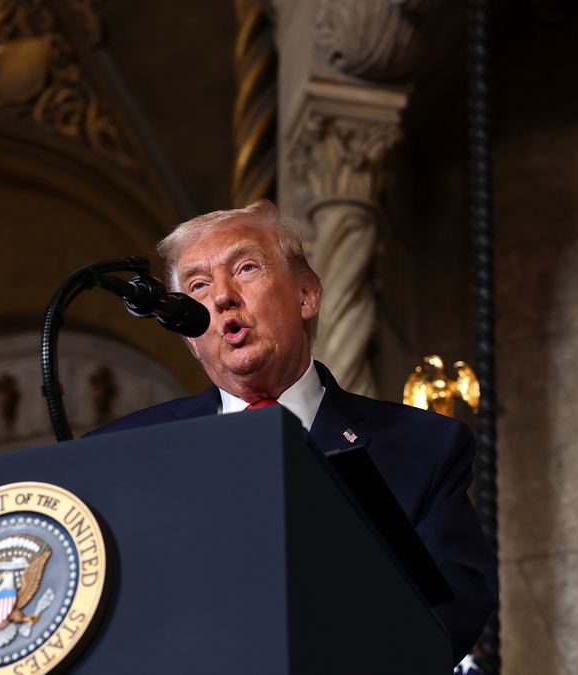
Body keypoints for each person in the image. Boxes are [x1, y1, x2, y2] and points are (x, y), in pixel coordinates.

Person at [92, 200, 498, 660]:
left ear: (306, 295)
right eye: (198, 285)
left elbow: (453, 608)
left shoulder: (421, 445)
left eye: (245, 268)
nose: (221, 296)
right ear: (188, 334)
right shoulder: (122, 452)